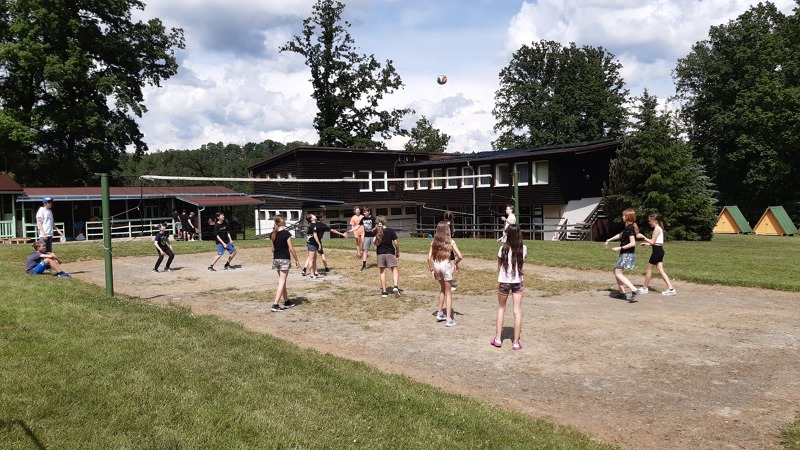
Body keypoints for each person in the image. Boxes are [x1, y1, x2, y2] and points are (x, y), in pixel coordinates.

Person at [490, 224, 527, 350]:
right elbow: (521, 264)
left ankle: (498, 339)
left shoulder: (502, 249)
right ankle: (516, 343)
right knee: (517, 311)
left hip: (504, 281)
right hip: (517, 282)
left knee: (501, 308)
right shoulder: (523, 248)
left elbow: (499, 266)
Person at [428, 221, 462, 327]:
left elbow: (429, 258)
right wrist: (455, 263)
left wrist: (431, 270)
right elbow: (460, 256)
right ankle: (449, 319)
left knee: (442, 289)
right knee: (449, 292)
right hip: (445, 266)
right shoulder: (450, 241)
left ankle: (440, 313)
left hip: (437, 266)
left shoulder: (434, 242)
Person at [604, 208, 641, 302]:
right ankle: (622, 293)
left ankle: (634, 290)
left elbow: (633, 243)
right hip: (625, 253)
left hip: (627, 254)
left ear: (628, 217)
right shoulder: (628, 227)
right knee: (616, 271)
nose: (622, 217)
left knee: (618, 273)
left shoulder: (630, 228)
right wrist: (609, 240)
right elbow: (620, 235)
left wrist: (619, 248)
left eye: (624, 215)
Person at [637, 213, 677, 296]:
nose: (649, 223)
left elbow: (652, 242)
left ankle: (644, 288)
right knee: (660, 271)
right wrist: (647, 244)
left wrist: (643, 237)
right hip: (659, 251)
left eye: (650, 221)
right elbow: (656, 242)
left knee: (649, 270)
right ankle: (671, 289)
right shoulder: (658, 228)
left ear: (655, 221)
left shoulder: (657, 229)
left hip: (657, 252)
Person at [270, 215, 300, 312]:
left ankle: (287, 301)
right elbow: (291, 249)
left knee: (282, 281)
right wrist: (296, 259)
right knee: (282, 281)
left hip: (276, 259)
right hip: (284, 259)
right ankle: (275, 304)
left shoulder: (273, 234)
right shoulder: (286, 234)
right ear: (283, 222)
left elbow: (272, 249)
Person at [374, 215, 401, 298]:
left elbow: (375, 244)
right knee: (394, 269)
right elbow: (396, 243)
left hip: (380, 254)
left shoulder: (377, 232)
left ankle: (384, 292)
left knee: (382, 272)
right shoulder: (390, 231)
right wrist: (397, 251)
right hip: (390, 253)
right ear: (385, 222)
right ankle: (395, 286)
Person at [347, 207, 376, 272]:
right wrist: (349, 231)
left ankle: (381, 262)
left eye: (366, 212)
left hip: (373, 236)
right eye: (364, 212)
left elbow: (379, 225)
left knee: (377, 249)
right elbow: (357, 226)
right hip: (366, 237)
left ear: (369, 212)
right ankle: (364, 265)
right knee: (365, 250)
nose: (364, 213)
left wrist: (374, 230)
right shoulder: (363, 219)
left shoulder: (373, 218)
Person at [302, 213, 323, 278]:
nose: (315, 216)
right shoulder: (313, 225)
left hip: (312, 243)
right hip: (312, 243)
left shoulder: (312, 225)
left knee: (314, 258)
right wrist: (319, 244)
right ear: (311, 219)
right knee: (311, 259)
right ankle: (311, 274)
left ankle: (314, 272)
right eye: (313, 215)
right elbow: (315, 235)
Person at [443, 211, 459, 292]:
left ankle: (447, 280)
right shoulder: (451, 225)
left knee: (445, 263)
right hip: (449, 245)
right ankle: (450, 282)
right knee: (452, 265)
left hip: (442, 244)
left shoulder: (442, 224)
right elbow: (451, 233)